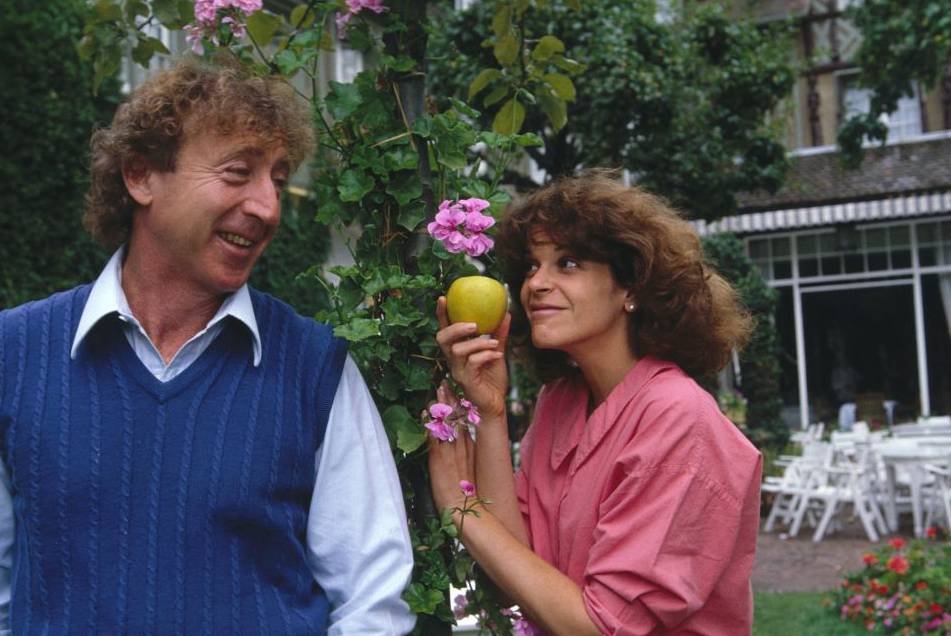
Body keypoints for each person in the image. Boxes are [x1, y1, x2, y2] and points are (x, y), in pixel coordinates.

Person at [0, 58, 415, 635]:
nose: (269, 206)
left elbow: (372, 604)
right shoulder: (14, 354)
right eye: (238, 171)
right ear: (141, 175)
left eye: (278, 175)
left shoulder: (314, 368)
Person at [430, 171, 762, 635]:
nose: (536, 284)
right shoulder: (561, 402)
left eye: (567, 263)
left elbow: (601, 628)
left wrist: (458, 507)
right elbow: (514, 583)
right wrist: (491, 414)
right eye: (531, 265)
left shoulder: (678, 420)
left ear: (631, 288)